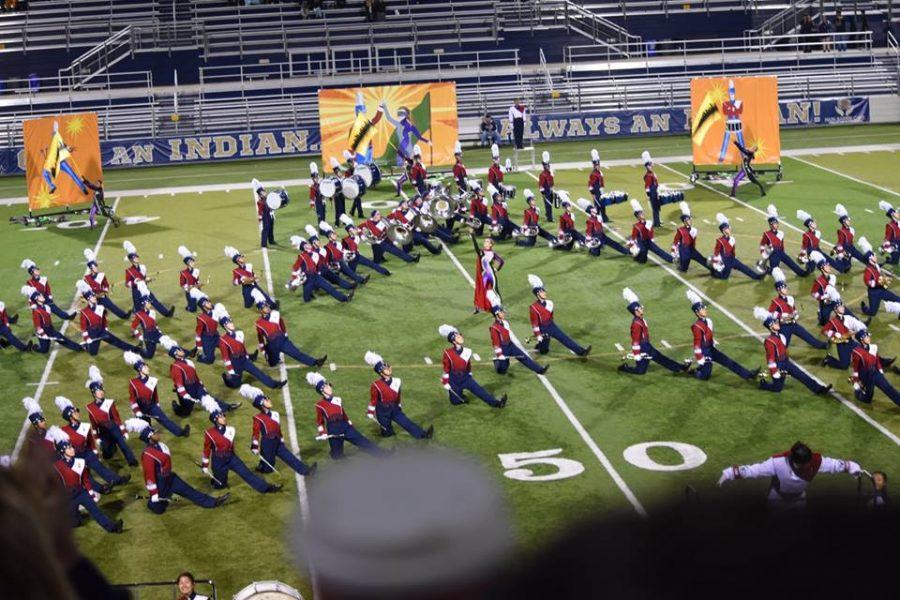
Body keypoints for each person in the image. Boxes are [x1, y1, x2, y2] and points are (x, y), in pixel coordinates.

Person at [717, 441, 860, 508]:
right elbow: (754, 470)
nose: (807, 465)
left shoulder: (815, 461)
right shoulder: (777, 463)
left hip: (799, 500)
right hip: (776, 499)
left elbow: (836, 465)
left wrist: (854, 468)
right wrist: (728, 473)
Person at [126, 418, 226, 514]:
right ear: (149, 438)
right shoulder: (147, 455)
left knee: (190, 491)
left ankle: (213, 502)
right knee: (158, 509)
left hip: (170, 477)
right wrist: (153, 493)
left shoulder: (160, 445)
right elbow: (149, 475)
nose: (158, 434)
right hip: (161, 483)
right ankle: (153, 504)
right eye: (155, 433)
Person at [46, 426, 123, 533]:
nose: (72, 449)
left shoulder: (80, 462)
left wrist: (90, 492)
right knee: (73, 522)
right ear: (63, 451)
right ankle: (75, 520)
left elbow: (85, 479)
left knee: (96, 511)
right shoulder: (56, 466)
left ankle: (113, 527)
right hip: (68, 498)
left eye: (71, 447)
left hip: (81, 492)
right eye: (69, 448)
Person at [200, 397, 282, 493]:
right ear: (215, 420)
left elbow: (229, 444)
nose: (224, 418)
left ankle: (266, 488)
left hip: (231, 458)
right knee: (220, 485)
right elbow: (206, 450)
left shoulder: (231, 430)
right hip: (218, 462)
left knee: (247, 474)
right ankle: (216, 482)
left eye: (224, 416)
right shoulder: (209, 433)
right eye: (221, 417)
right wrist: (205, 465)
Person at [753, 307, 832, 395]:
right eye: (775, 323)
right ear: (771, 327)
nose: (777, 323)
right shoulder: (769, 341)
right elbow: (770, 359)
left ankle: (820, 389)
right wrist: (774, 372)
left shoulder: (781, 336)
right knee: (777, 388)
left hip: (786, 362)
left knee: (802, 375)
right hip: (779, 366)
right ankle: (763, 385)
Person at [54, 396, 130, 488]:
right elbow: (59, 446)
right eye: (74, 412)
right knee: (85, 476)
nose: (78, 413)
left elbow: (91, 442)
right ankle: (101, 489)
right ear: (70, 417)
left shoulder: (85, 426)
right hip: (75, 456)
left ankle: (118, 480)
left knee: (100, 468)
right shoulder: (63, 431)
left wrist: (95, 452)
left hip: (87, 453)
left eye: (77, 411)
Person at [243, 384, 317, 476]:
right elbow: (255, 433)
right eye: (266, 399)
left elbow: (278, 429)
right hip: (267, 444)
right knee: (269, 468)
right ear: (261, 404)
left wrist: (281, 439)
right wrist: (254, 446)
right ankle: (262, 467)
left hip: (277, 441)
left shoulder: (275, 414)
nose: (269, 400)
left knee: (290, 458)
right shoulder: (258, 418)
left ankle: (306, 471)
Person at [684, 290, 757, 381]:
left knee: (728, 362)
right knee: (705, 376)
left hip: (711, 349)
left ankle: (749, 375)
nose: (705, 309)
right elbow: (697, 344)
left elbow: (707, 335)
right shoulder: (697, 326)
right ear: (697, 312)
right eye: (702, 308)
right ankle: (694, 371)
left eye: (705, 308)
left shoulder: (708, 321)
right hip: (704, 352)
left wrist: (712, 341)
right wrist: (699, 357)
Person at [213, 303, 286, 390]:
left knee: (258, 373)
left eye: (231, 322)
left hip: (244, 360)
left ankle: (274, 384)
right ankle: (227, 378)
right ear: (225, 326)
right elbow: (226, 358)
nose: (232, 324)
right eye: (229, 323)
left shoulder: (240, 334)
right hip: (235, 363)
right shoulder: (223, 340)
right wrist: (231, 370)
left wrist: (247, 356)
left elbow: (243, 347)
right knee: (236, 384)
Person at [309, 372, 382, 459]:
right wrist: (322, 433)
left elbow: (342, 413)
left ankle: (383, 454)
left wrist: (348, 422)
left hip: (345, 426)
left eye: (329, 386)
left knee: (363, 441)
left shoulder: (338, 399)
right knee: (337, 456)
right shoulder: (320, 405)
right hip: (333, 429)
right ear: (322, 390)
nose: (330, 388)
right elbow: (319, 421)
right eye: (327, 387)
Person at [618, 288, 688, 376]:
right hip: (642, 348)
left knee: (661, 358)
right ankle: (624, 368)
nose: (641, 309)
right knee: (641, 371)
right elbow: (635, 341)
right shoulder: (636, 323)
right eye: (639, 308)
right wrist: (637, 354)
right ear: (636, 311)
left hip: (646, 345)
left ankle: (680, 367)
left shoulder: (640, 319)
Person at [164, 334, 237, 417]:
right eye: (179, 350)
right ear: (176, 355)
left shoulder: (188, 362)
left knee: (208, 398)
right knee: (186, 412)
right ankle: (176, 408)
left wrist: (201, 385)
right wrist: (186, 395)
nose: (181, 350)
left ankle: (227, 407)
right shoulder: (175, 367)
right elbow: (179, 383)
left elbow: (195, 376)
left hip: (196, 385)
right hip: (187, 389)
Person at [364, 352, 434, 439]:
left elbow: (398, 394)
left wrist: (399, 404)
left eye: (388, 367)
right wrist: (370, 412)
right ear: (381, 373)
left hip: (394, 408)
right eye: (385, 369)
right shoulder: (376, 385)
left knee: (406, 422)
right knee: (387, 431)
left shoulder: (397, 381)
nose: (389, 369)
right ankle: (387, 433)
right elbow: (374, 400)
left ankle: (423, 434)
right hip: (382, 410)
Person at [251, 288, 326, 368]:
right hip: (272, 344)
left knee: (297, 354)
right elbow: (260, 336)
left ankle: (316, 362)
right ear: (260, 310)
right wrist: (263, 349)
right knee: (272, 364)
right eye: (265, 307)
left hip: (282, 340)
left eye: (267, 306)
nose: (268, 307)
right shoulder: (259, 323)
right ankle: (269, 353)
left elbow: (281, 323)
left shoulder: (275, 313)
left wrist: (285, 334)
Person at [125, 349, 190, 437]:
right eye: (145, 367)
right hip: (140, 408)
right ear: (140, 371)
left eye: (147, 366)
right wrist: (137, 411)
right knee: (145, 428)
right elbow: (132, 399)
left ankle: (180, 432)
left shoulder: (153, 380)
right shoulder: (133, 383)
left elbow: (155, 394)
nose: (147, 368)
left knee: (164, 419)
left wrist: (157, 404)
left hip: (152, 406)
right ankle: (149, 442)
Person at [439, 325, 508, 408]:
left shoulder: (467, 351)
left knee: (480, 391)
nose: (461, 337)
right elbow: (446, 369)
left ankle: (497, 403)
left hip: (466, 377)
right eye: (458, 337)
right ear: (454, 341)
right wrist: (445, 381)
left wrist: (469, 372)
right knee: (455, 402)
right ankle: (460, 397)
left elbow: (468, 364)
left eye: (460, 336)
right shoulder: (448, 353)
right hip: (454, 380)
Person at [83, 366, 138, 467]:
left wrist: (123, 431)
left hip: (114, 428)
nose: (102, 392)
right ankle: (110, 448)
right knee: (108, 454)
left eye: (102, 390)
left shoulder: (109, 403)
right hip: (103, 432)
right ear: (94, 393)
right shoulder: (90, 407)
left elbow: (117, 418)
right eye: (99, 391)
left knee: (123, 445)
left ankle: (132, 460)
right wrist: (96, 437)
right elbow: (94, 425)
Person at [527, 274, 591, 357]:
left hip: (551, 325)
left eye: (544, 291)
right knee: (544, 351)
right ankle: (540, 346)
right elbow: (534, 324)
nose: (545, 293)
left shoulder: (550, 303)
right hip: (543, 329)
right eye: (542, 292)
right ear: (538, 294)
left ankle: (581, 352)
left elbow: (550, 316)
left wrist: (551, 325)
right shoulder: (533, 308)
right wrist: (538, 335)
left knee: (564, 338)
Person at [486, 290, 547, 375]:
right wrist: (499, 354)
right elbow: (496, 343)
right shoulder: (494, 328)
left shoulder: (505, 323)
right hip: (503, 348)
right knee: (503, 369)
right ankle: (497, 363)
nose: (503, 313)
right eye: (501, 312)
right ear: (497, 315)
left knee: (524, 357)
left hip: (510, 345)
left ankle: (539, 370)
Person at [74, 281, 142, 356]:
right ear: (88, 300)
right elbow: (84, 329)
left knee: (117, 341)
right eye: (92, 297)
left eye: (94, 296)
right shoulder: (84, 312)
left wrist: (105, 328)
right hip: (92, 334)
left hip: (102, 331)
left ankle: (134, 349)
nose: (94, 298)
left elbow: (103, 319)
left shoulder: (100, 307)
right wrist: (87, 339)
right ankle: (86, 346)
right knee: (93, 353)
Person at [767, 267, 828, 350]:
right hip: (784, 327)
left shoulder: (790, 298)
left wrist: (795, 314)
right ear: (779, 290)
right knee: (783, 347)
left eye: (786, 287)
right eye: (784, 288)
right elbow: (770, 314)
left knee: (806, 335)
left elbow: (794, 309)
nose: (786, 289)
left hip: (793, 324)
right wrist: (782, 316)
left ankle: (821, 345)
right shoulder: (775, 301)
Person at [287, 235, 355, 303]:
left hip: (316, 276)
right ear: (304, 248)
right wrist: (294, 279)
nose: (308, 245)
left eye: (307, 244)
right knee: (306, 299)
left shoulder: (315, 253)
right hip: (308, 279)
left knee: (329, 288)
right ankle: (309, 297)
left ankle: (345, 298)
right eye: (306, 245)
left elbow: (321, 262)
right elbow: (295, 268)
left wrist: (326, 267)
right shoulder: (302, 257)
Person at [21, 285, 83, 354]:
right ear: (36, 299)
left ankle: (79, 348)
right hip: (43, 332)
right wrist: (43, 335)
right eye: (40, 296)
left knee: (62, 339)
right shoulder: (36, 312)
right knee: (44, 351)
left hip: (50, 329)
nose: (42, 296)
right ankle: (35, 348)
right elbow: (37, 326)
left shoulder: (47, 307)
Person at [123, 240, 175, 316]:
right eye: (135, 257)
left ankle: (167, 313)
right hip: (136, 292)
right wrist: (134, 282)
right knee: (138, 310)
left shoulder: (143, 268)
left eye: (137, 256)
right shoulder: (129, 271)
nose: (137, 258)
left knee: (154, 301)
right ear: (131, 260)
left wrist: (148, 280)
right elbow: (127, 284)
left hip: (144, 289)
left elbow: (144, 279)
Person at [821, 286, 866, 370]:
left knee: (864, 350)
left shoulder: (847, 318)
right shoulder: (833, 321)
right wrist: (835, 334)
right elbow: (824, 331)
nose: (842, 308)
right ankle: (829, 359)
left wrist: (853, 332)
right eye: (840, 307)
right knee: (844, 366)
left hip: (851, 341)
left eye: (842, 306)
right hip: (842, 345)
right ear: (835, 310)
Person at [850, 329, 900, 406]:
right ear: (861, 339)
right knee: (868, 399)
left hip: (875, 371)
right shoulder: (856, 352)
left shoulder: (874, 347)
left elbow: (877, 360)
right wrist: (856, 380)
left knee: (888, 387)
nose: (869, 338)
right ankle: (858, 392)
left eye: (868, 336)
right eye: (866, 337)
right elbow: (856, 367)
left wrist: (880, 371)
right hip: (865, 375)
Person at [40, 120, 88, 196]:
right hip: (53, 163)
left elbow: (65, 147)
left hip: (61, 162)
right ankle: (52, 187)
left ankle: (83, 188)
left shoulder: (59, 141)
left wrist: (69, 149)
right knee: (45, 173)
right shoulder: (52, 145)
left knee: (72, 173)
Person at [709, 213, 763, 280]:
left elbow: (732, 250)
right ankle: (714, 272)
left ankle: (757, 277)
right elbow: (716, 253)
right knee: (724, 277)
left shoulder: (732, 239)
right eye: (727, 229)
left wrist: (734, 257)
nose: (729, 229)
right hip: (725, 262)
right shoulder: (720, 241)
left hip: (732, 259)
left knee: (744, 267)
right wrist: (716, 263)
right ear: (723, 231)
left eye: (728, 228)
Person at [759, 205, 809, 277]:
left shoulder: (781, 233)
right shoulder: (767, 234)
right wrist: (763, 252)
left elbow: (781, 245)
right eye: (775, 223)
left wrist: (782, 253)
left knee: (791, 263)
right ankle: (766, 270)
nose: (777, 225)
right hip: (773, 254)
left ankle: (802, 273)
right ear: (771, 225)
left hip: (781, 252)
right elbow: (762, 244)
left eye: (777, 223)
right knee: (774, 270)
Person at [225, 246, 277, 310]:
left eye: (242, 256)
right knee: (248, 305)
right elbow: (234, 282)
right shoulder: (236, 271)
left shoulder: (249, 265)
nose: (242, 257)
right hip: (246, 288)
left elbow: (252, 274)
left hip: (254, 285)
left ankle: (272, 305)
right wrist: (241, 280)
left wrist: (255, 277)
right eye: (240, 257)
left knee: (263, 294)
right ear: (237, 260)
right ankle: (253, 299)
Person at [859, 237, 900, 318]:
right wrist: (882, 281)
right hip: (874, 293)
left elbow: (880, 264)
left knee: (897, 299)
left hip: (881, 290)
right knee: (872, 313)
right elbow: (868, 282)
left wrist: (887, 260)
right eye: (874, 256)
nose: (875, 256)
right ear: (870, 258)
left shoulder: (875, 265)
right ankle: (864, 309)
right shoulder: (868, 270)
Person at [319, 220, 369, 285]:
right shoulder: (327, 247)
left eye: (334, 234)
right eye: (332, 235)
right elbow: (327, 258)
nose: (335, 235)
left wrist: (349, 253)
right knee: (337, 277)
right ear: (329, 238)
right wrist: (330, 265)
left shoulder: (338, 243)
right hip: (335, 263)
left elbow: (343, 251)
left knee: (348, 272)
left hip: (341, 261)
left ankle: (360, 281)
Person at [627, 199, 673, 264]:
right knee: (642, 259)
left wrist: (652, 238)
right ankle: (637, 257)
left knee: (658, 250)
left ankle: (671, 259)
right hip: (641, 242)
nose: (642, 214)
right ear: (637, 217)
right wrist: (631, 243)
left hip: (648, 241)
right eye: (640, 214)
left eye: (642, 213)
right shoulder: (636, 226)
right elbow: (634, 236)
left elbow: (651, 232)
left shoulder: (649, 222)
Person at [131, 282, 165, 359]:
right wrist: (140, 337)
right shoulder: (139, 314)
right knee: (149, 356)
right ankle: (138, 350)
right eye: (148, 303)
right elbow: (133, 328)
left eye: (150, 303)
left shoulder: (153, 312)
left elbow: (154, 323)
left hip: (155, 333)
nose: (150, 304)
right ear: (144, 304)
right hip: (147, 337)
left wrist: (158, 330)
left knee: (166, 343)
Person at [671, 201, 708, 272]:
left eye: (690, 219)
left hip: (691, 249)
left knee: (702, 259)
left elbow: (693, 242)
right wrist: (674, 252)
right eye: (688, 220)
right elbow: (675, 241)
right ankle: (682, 265)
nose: (690, 221)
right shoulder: (680, 230)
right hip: (684, 250)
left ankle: (714, 269)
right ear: (684, 222)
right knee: (683, 268)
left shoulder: (694, 230)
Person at [474, 236, 504, 314]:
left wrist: (496, 269)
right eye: (484, 241)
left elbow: (501, 261)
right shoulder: (482, 251)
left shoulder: (492, 253)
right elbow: (476, 247)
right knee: (480, 289)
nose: (485, 242)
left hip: (489, 275)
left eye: (487, 241)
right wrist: (473, 237)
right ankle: (478, 306)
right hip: (484, 275)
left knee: (495, 290)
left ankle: (500, 306)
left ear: (490, 244)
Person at [191, 289, 219, 364]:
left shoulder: (214, 312)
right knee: (210, 360)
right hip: (207, 339)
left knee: (227, 346)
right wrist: (199, 346)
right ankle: (199, 357)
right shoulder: (201, 318)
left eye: (209, 302)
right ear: (204, 307)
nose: (209, 303)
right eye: (207, 303)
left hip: (216, 336)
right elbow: (198, 333)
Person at [177, 246, 203, 313]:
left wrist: (199, 284)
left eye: (193, 262)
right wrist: (188, 288)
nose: (193, 263)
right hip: (189, 292)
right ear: (187, 264)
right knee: (193, 309)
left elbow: (197, 280)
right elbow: (182, 284)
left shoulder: (196, 271)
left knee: (204, 304)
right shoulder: (183, 273)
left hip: (197, 290)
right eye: (191, 262)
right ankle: (189, 306)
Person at [640, 151, 663, 228]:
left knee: (657, 207)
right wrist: (649, 194)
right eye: (649, 165)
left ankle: (658, 221)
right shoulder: (648, 175)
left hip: (655, 192)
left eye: (650, 165)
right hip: (653, 193)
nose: (651, 166)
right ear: (647, 166)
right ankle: (656, 223)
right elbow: (647, 186)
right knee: (655, 208)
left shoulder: (652, 173)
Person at [879, 201, 898, 265]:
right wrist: (884, 247)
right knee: (894, 262)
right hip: (895, 245)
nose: (897, 214)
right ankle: (887, 260)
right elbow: (888, 237)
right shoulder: (890, 226)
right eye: (895, 213)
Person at [538, 151, 556, 222]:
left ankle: (548, 214)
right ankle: (550, 218)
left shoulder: (550, 173)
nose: (548, 167)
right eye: (547, 165)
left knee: (550, 203)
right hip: (546, 191)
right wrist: (542, 191)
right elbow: (541, 184)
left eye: (548, 165)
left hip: (550, 190)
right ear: (544, 166)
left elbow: (551, 182)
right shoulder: (542, 174)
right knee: (548, 204)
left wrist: (552, 188)